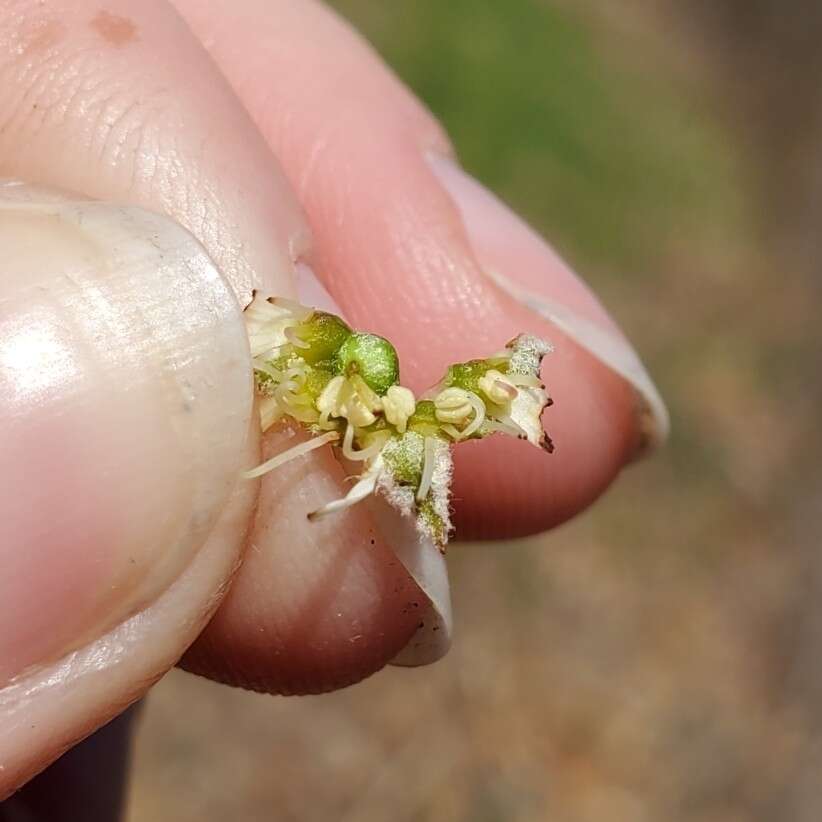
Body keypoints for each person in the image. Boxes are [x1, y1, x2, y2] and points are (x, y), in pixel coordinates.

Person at [0, 1, 666, 818]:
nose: (500, 412)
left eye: (502, 404)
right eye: (501, 398)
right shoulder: (346, 377)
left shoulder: (386, 403)